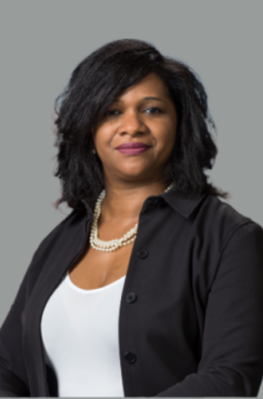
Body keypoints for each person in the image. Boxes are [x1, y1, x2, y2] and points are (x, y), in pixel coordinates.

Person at [0, 38, 263, 398]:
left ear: (179, 124)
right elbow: (7, 367)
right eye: (111, 111)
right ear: (89, 132)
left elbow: (229, 378)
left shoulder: (231, 238)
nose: (132, 126)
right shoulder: (59, 242)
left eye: (152, 110)